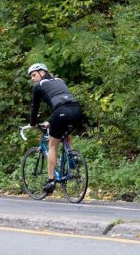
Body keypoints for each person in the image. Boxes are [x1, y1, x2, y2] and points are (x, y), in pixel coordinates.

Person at [27, 63, 83, 194]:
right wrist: (51, 121)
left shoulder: (38, 86)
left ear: (42, 73)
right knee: (65, 132)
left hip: (61, 112)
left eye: (34, 75)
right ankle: (72, 157)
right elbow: (62, 101)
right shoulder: (59, 80)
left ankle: (51, 180)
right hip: (76, 110)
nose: (32, 79)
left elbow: (34, 107)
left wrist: (33, 123)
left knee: (52, 146)